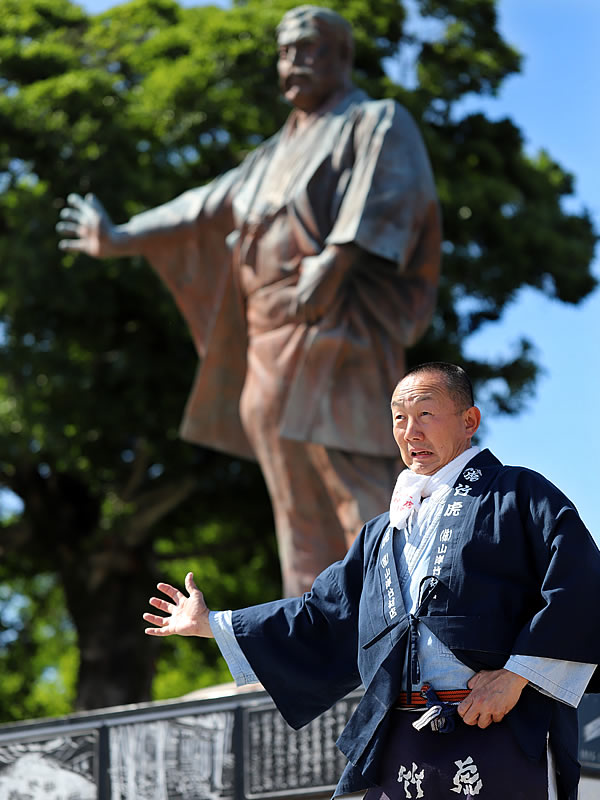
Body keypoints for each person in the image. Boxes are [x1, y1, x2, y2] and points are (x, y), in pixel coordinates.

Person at [56, 5, 441, 597]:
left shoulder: (374, 121)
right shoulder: (267, 157)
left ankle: (399, 615)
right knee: (294, 507)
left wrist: (337, 257)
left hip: (333, 326)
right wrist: (120, 237)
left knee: (354, 478)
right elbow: (200, 206)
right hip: (267, 341)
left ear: (342, 56)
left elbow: (389, 195)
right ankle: (312, 638)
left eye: (309, 49)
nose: (294, 62)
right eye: (286, 51)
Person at [143, 362, 600, 800]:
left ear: (469, 420)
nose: (410, 432)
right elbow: (324, 614)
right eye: (399, 418)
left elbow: (580, 583)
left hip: (495, 722)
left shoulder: (518, 494)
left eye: (425, 415)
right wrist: (214, 624)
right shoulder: (382, 530)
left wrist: (517, 676)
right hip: (401, 733)